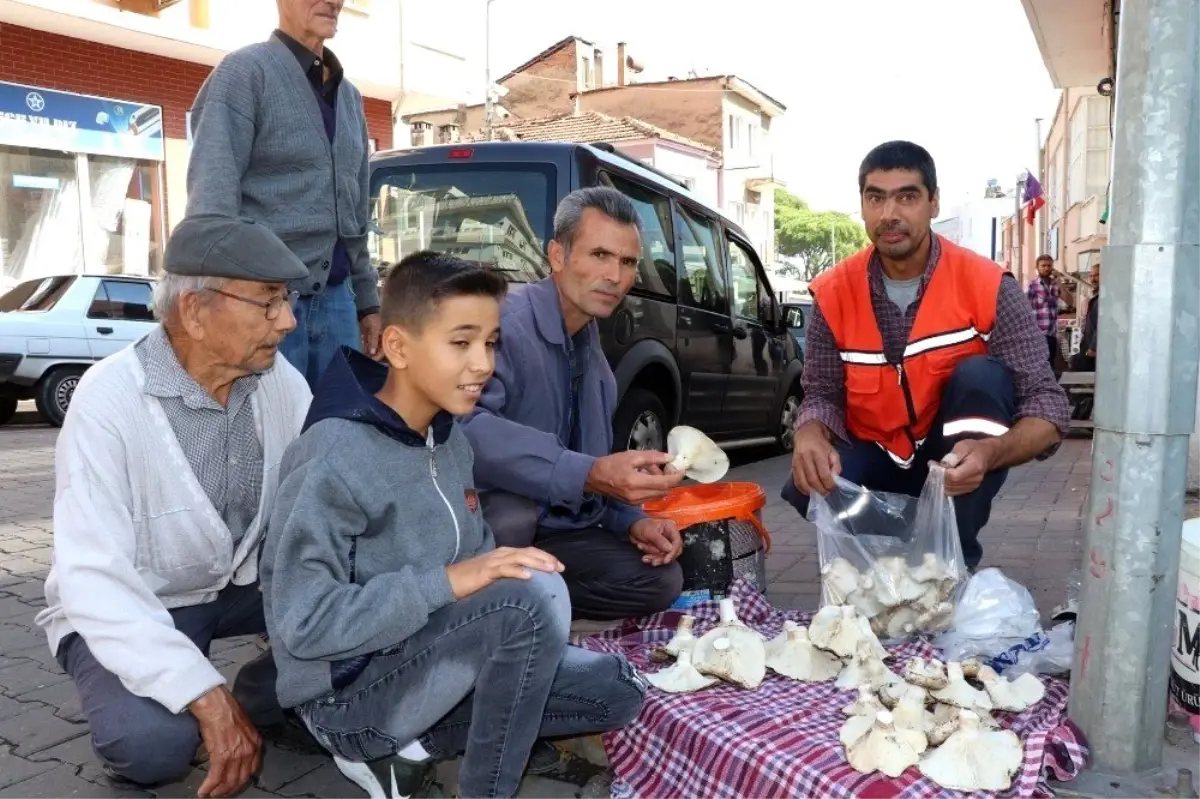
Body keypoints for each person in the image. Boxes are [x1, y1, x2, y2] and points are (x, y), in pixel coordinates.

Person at [260, 251, 646, 799]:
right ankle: (473, 783)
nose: (484, 364)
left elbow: (480, 592)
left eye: (490, 342)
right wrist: (451, 581)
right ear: (397, 346)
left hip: (432, 662)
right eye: (461, 342)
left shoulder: (450, 439)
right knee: (530, 599)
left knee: (618, 690)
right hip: (348, 697)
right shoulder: (332, 455)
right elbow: (305, 623)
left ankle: (416, 749)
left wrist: (489, 594)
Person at [36, 215, 314, 798]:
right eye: (267, 303)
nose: (287, 322)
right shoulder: (109, 401)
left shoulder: (277, 381)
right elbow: (94, 577)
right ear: (193, 310)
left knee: (371, 605)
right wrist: (203, 697)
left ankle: (264, 693)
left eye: (286, 301)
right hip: (132, 604)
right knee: (152, 746)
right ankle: (185, 689)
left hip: (243, 591)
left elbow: (321, 500)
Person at [782, 141, 1070, 568]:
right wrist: (807, 431)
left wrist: (991, 453)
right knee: (810, 481)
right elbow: (823, 392)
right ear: (862, 204)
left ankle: (952, 557)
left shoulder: (988, 285)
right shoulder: (833, 293)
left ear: (934, 202)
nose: (889, 214)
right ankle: (880, 561)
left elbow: (1048, 409)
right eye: (875, 197)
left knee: (982, 377)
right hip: (876, 451)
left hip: (953, 464)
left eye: (908, 196)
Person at [463, 187, 686, 621]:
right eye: (599, 255)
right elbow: (466, 430)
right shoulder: (504, 324)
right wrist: (588, 473)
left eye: (626, 262)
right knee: (513, 516)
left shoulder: (595, 360)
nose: (615, 277)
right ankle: (504, 603)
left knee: (665, 577)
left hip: (556, 532)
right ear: (557, 256)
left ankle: (529, 600)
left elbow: (596, 468)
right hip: (487, 525)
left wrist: (633, 522)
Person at [187, 0, 381, 388]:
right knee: (266, 440)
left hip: (338, 303)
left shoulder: (350, 98)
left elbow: (356, 212)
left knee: (338, 435)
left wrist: (367, 301)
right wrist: (218, 303)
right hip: (263, 304)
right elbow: (212, 199)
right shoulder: (244, 74)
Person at [1026, 254, 1073, 376]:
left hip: (1051, 335)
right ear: (1037, 267)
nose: (1046, 268)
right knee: (1039, 369)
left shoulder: (1055, 285)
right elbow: (1023, 309)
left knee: (1050, 368)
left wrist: (1059, 282)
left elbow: (1070, 300)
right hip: (1037, 335)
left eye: (1049, 266)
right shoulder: (1031, 286)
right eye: (1043, 266)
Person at [1069, 262, 1101, 372]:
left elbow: (1101, 325)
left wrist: (1093, 347)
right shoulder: (1095, 297)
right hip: (1088, 345)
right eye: (1091, 276)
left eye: (1096, 275)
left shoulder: (1103, 298)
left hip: (1096, 349)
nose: (1093, 279)